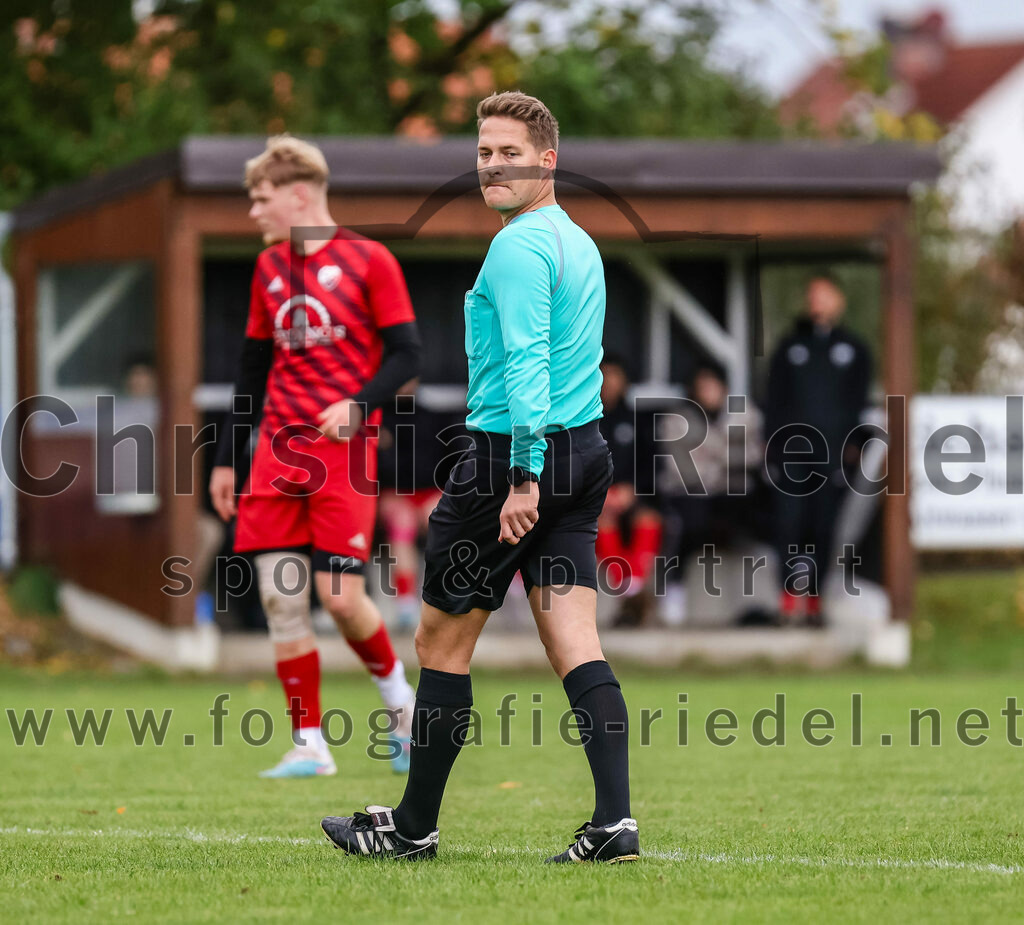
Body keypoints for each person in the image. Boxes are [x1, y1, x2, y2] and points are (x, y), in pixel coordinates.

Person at [320, 91, 638, 864]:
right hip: (583, 450)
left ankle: (413, 827)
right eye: (485, 152)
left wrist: (522, 477)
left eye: (508, 153)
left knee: (440, 641)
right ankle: (614, 824)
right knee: (575, 639)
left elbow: (528, 364)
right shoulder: (580, 243)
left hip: (511, 461)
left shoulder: (518, 248)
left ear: (548, 158)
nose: (492, 166)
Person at [209, 135, 420, 777]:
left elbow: (408, 355)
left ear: (299, 193)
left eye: (261, 197)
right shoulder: (268, 269)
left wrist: (358, 405)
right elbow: (250, 372)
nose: (253, 211)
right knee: (280, 596)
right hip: (276, 450)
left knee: (341, 598)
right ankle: (309, 743)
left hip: (342, 454)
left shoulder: (370, 259)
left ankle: (402, 710)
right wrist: (225, 458)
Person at [765, 270, 871, 627]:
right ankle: (786, 602)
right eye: (812, 295)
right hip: (792, 456)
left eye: (824, 294)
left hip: (833, 456)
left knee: (822, 527)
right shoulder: (789, 347)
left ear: (839, 300)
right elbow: (773, 401)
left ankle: (815, 602)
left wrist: (854, 444)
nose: (817, 302)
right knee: (789, 524)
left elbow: (858, 404)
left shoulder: (854, 350)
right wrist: (773, 447)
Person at [656, 362, 765, 624]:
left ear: (724, 389)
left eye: (712, 385)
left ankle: (754, 605)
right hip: (690, 493)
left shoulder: (746, 414)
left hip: (731, 494)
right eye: (702, 387)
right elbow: (682, 468)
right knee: (685, 525)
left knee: (754, 520)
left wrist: (711, 454)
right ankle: (674, 596)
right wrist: (727, 457)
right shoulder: (677, 420)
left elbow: (755, 455)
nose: (708, 392)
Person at [595, 354, 662, 626]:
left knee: (649, 520)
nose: (608, 383)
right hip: (596, 500)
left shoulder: (639, 421)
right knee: (603, 523)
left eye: (614, 376)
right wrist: (601, 493)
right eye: (603, 375)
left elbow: (652, 465)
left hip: (633, 497)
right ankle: (632, 596)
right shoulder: (582, 420)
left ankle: (630, 592)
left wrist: (632, 490)